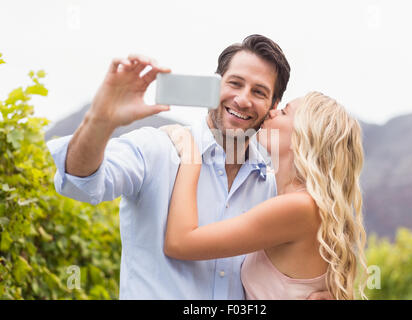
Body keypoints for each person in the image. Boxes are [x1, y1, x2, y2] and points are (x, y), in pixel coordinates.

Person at [46, 34, 331, 299]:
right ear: (214, 85)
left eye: (258, 91)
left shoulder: (274, 191)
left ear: (273, 105)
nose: (242, 99)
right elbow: (80, 181)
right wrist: (101, 119)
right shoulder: (158, 149)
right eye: (234, 83)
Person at [161, 92, 368, 300]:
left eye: (284, 112)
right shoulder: (306, 206)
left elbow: (179, 243)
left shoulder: (298, 207)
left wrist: (190, 156)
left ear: (304, 137)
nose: (271, 112)